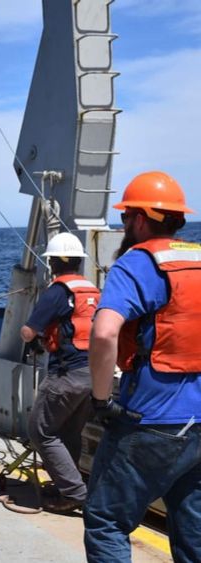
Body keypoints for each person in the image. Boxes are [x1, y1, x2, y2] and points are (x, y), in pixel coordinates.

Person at [84, 171, 201, 562]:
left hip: (152, 420)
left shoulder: (139, 263)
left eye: (126, 218)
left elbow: (103, 334)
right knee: (193, 532)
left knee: (106, 521)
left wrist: (102, 401)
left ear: (137, 218)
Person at [20, 232, 99, 514]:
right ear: (79, 262)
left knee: (39, 430)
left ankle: (76, 493)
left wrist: (28, 334)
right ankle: (67, 488)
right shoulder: (91, 290)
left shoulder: (57, 291)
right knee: (69, 433)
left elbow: (29, 330)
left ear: (52, 262)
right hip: (94, 373)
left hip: (66, 374)